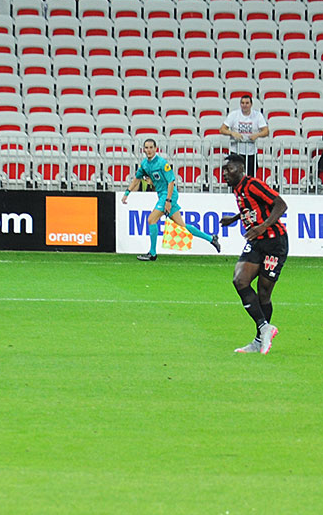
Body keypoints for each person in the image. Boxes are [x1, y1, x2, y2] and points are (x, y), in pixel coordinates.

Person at [219, 154, 286, 354]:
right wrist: (235, 218)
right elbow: (254, 208)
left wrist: (263, 226)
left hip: (275, 242)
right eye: (224, 170)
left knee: (264, 292)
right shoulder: (238, 190)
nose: (225, 174)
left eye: (229, 169)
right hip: (256, 242)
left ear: (241, 169)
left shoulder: (253, 184)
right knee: (240, 280)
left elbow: (281, 204)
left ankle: (259, 340)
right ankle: (265, 329)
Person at [122, 138, 221, 261]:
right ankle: (211, 238)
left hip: (169, 195)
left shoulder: (162, 163)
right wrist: (127, 192)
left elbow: (171, 182)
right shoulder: (145, 165)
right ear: (143, 149)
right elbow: (137, 179)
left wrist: (168, 201)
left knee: (151, 219)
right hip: (163, 195)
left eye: (151, 147)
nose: (149, 150)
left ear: (155, 149)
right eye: (146, 148)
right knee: (182, 226)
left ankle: (152, 253)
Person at [218, 95, 269, 178]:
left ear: (251, 104)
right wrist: (232, 133)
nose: (244, 105)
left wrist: (257, 135)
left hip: (251, 152)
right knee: (234, 176)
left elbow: (266, 131)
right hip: (236, 151)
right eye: (242, 103)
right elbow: (222, 129)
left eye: (247, 103)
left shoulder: (257, 115)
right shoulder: (234, 114)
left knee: (250, 176)